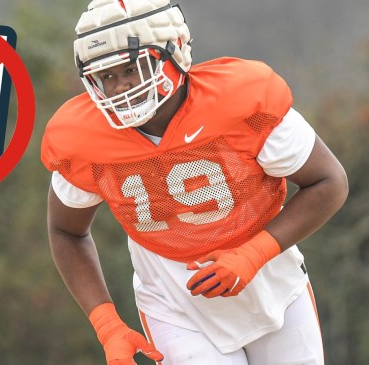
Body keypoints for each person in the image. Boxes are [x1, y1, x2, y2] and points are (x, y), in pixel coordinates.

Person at [40, 0, 349, 364]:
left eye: (133, 68)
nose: (122, 85)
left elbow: (329, 182)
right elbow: (66, 232)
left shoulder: (240, 100)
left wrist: (255, 252)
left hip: (274, 284)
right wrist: (106, 323)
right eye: (107, 76)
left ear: (176, 50)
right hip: (175, 305)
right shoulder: (83, 138)